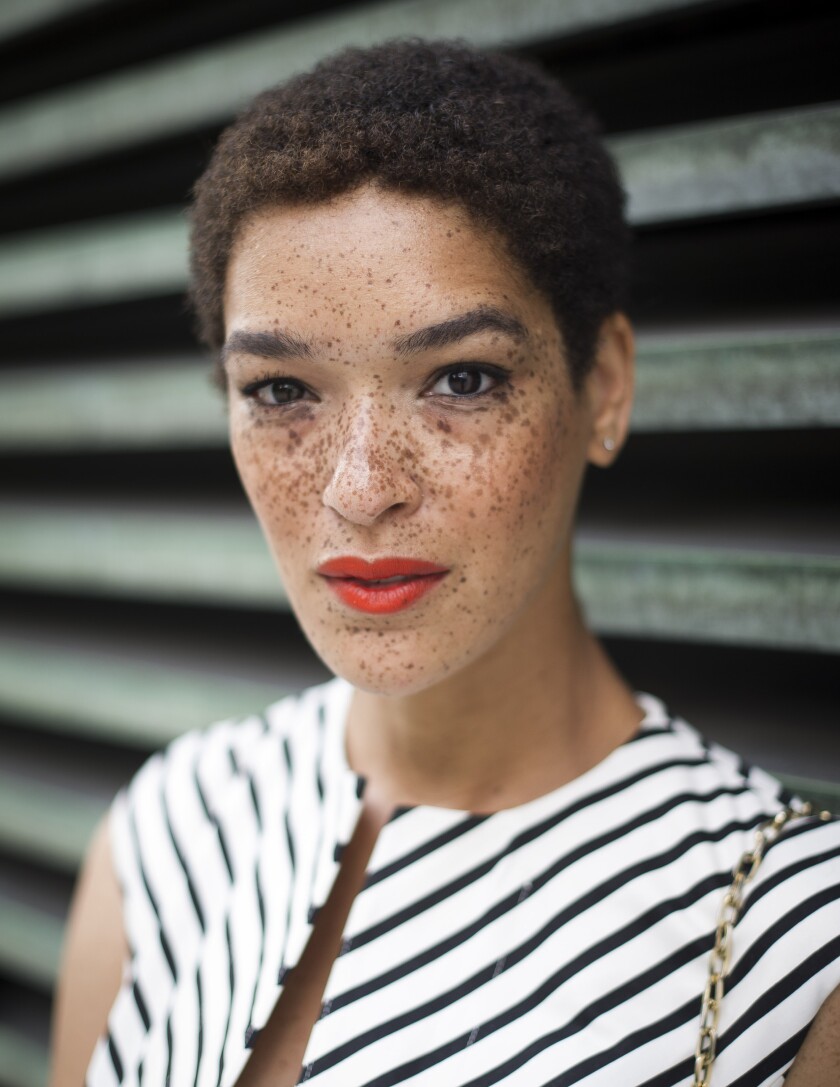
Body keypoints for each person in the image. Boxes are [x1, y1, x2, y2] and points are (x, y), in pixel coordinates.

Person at [50, 39, 840, 1087]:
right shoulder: (169, 829)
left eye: (461, 378)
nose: (362, 486)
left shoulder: (792, 952)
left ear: (602, 387)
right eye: (283, 391)